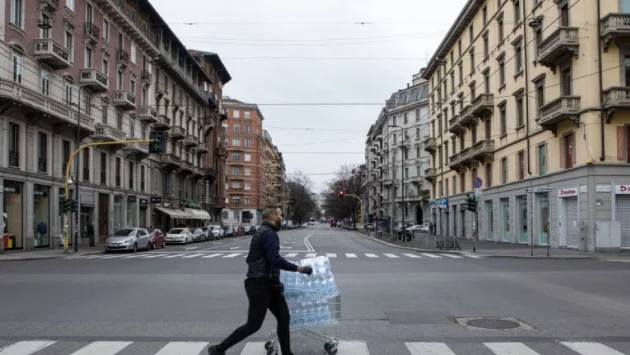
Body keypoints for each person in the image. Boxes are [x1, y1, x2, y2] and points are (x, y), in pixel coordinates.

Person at [208, 205, 313, 355]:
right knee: (254, 324)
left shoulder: (263, 232)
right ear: (273, 217)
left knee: (284, 318)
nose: (282, 219)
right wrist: (300, 269)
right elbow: (274, 260)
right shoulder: (268, 233)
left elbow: (254, 259)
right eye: (280, 215)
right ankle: (218, 349)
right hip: (259, 284)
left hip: (269, 284)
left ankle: (287, 353)